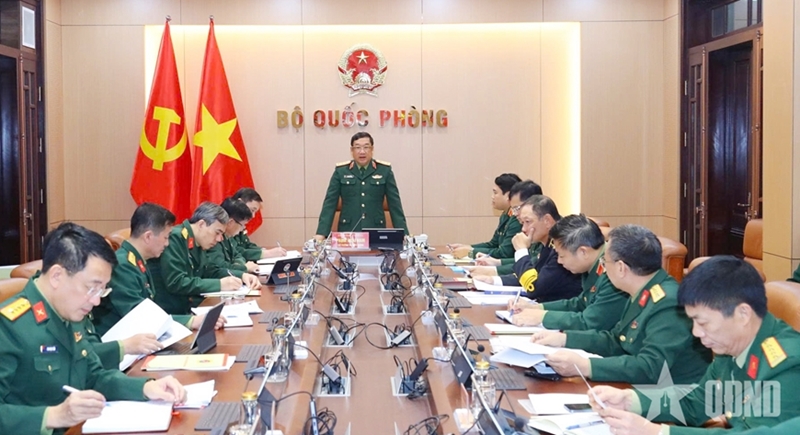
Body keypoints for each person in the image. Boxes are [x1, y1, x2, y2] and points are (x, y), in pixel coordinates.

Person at [0, 222, 186, 435]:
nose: (96, 301)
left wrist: (146, 387)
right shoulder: (8, 326)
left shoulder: (69, 309)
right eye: (91, 288)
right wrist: (54, 416)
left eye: (102, 291)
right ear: (56, 276)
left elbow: (94, 375)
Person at [591, 256, 800, 435]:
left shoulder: (786, 365)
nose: (696, 332)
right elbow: (698, 402)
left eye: (703, 323)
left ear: (743, 314)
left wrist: (657, 432)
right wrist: (630, 401)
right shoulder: (732, 345)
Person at [531, 225, 711, 384]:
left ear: (621, 268)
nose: (603, 268)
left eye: (604, 261)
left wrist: (586, 366)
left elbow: (650, 367)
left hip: (673, 397)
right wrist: (565, 339)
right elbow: (616, 340)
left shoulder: (667, 302)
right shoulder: (641, 291)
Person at [90, 203, 224, 368]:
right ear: (148, 237)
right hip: (120, 357)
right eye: (166, 237)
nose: (167, 244)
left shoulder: (138, 261)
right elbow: (140, 316)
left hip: (140, 344)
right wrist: (190, 321)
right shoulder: (123, 265)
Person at [508, 214, 628, 331]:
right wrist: (537, 308)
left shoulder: (613, 272)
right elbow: (580, 304)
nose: (559, 261)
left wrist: (543, 317)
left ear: (583, 252)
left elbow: (590, 322)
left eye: (561, 256)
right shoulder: (593, 264)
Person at [150, 202, 261, 315]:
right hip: (172, 313)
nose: (219, 239)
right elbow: (177, 282)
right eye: (217, 233)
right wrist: (220, 284)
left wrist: (242, 275)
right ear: (201, 224)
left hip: (189, 308)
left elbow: (210, 270)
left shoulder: (198, 241)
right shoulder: (176, 238)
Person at [472, 195, 582, 303]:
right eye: (522, 223)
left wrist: (521, 251)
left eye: (528, 222)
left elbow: (533, 287)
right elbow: (534, 274)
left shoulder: (563, 244)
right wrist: (493, 280)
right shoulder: (547, 242)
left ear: (547, 220)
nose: (523, 229)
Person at [314, 131, 408, 240]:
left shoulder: (384, 171)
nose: (362, 151)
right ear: (352, 150)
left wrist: (404, 234)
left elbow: (395, 205)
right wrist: (321, 233)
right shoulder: (341, 171)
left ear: (372, 149)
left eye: (366, 147)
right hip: (348, 233)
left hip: (375, 231)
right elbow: (329, 204)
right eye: (357, 147)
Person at [471, 179, 544, 276]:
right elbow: (529, 260)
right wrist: (497, 263)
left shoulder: (551, 233)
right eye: (513, 209)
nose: (515, 214)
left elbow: (532, 265)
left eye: (517, 208)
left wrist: (495, 271)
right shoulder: (528, 225)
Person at [448, 173, 523, 260]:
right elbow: (493, 244)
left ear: (508, 195)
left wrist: (470, 252)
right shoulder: (505, 215)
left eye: (495, 193)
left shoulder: (517, 218)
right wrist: (467, 247)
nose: (492, 196)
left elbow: (504, 253)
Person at [232, 187, 287, 260]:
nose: (253, 216)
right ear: (240, 203)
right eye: (252, 210)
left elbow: (246, 245)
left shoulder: (239, 222)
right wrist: (266, 253)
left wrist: (263, 251)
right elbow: (234, 252)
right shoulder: (226, 223)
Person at [208, 198, 258, 274]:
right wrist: (244, 268)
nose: (242, 229)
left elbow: (238, 255)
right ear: (230, 222)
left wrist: (239, 264)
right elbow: (220, 266)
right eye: (242, 225)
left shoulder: (228, 236)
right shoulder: (215, 237)